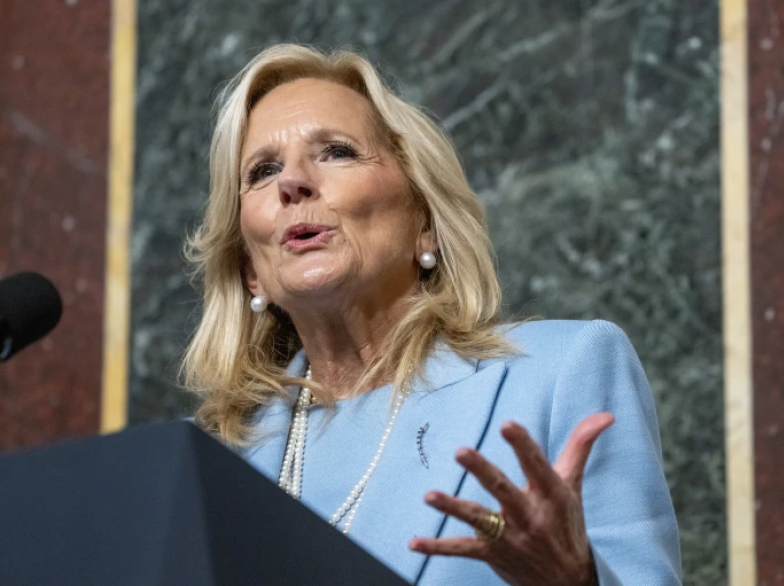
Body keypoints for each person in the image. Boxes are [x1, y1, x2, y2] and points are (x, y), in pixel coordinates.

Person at [183, 43, 682, 585]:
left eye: (337, 152)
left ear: (425, 222)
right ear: (250, 269)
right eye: (263, 170)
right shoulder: (206, 465)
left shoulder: (563, 372)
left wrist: (576, 581)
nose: (292, 181)